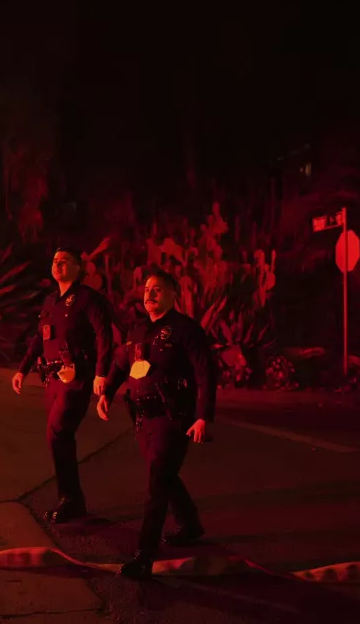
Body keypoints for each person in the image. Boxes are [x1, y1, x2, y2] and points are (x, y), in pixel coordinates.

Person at [96, 269, 215, 581]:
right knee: (163, 475)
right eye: (147, 289)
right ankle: (190, 525)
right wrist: (107, 392)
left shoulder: (186, 329)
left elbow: (205, 373)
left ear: (174, 294)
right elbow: (122, 362)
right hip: (142, 417)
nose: (149, 294)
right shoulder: (138, 329)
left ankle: (144, 556)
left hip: (173, 417)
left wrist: (203, 416)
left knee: (156, 483)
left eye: (158, 289)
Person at [13, 247, 113, 523]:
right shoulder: (50, 301)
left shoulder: (87, 299)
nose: (58, 265)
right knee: (59, 437)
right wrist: (22, 369)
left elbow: (104, 335)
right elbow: (39, 337)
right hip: (52, 381)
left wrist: (100, 373)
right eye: (55, 261)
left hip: (76, 378)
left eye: (65, 261)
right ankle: (71, 498)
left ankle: (70, 498)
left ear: (79, 268)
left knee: (57, 433)